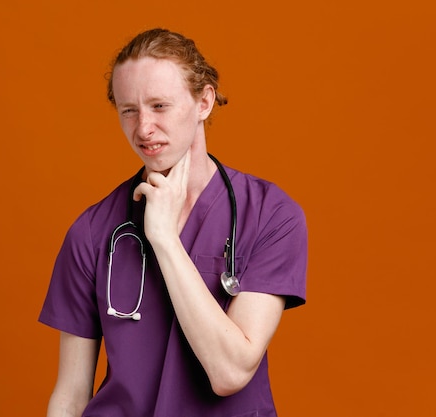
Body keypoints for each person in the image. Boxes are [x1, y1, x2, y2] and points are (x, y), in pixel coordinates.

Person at [39, 28, 307, 417]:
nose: (143, 128)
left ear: (204, 101)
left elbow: (230, 371)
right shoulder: (93, 232)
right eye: (129, 109)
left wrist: (164, 238)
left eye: (159, 106)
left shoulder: (270, 215)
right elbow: (70, 395)